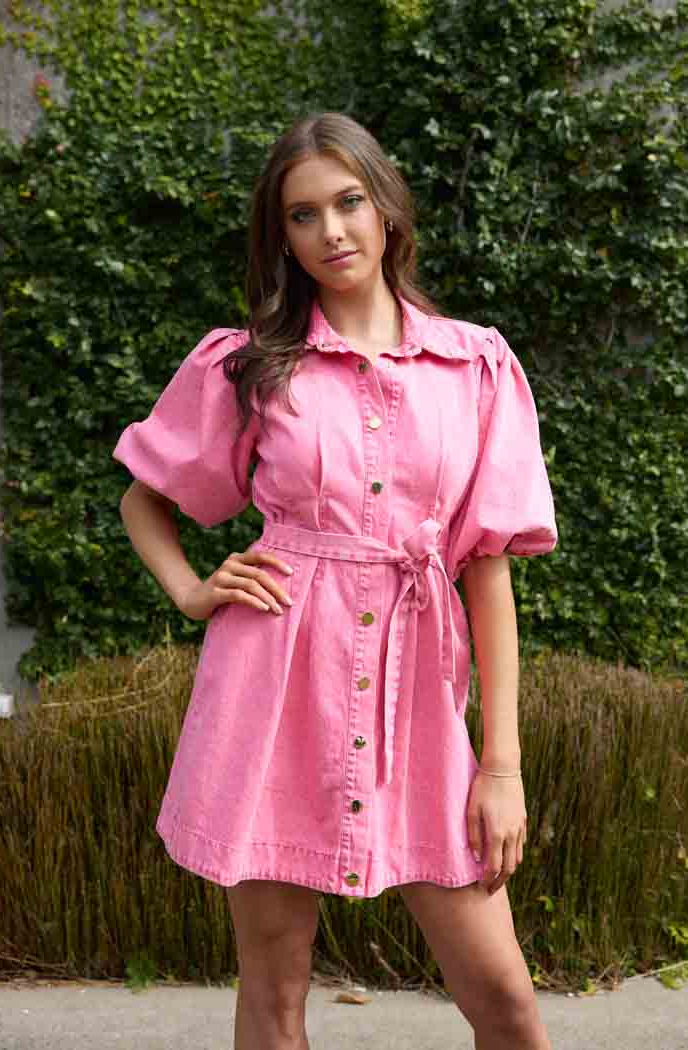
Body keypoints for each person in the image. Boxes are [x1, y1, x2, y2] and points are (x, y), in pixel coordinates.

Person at [112, 111, 557, 1050]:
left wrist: (502, 767)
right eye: (303, 215)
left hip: (420, 703)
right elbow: (143, 499)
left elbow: (487, 572)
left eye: (349, 202)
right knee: (275, 994)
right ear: (282, 236)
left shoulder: (474, 366)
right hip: (272, 692)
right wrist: (191, 591)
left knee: (507, 1002)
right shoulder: (249, 366)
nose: (333, 232)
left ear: (386, 206)